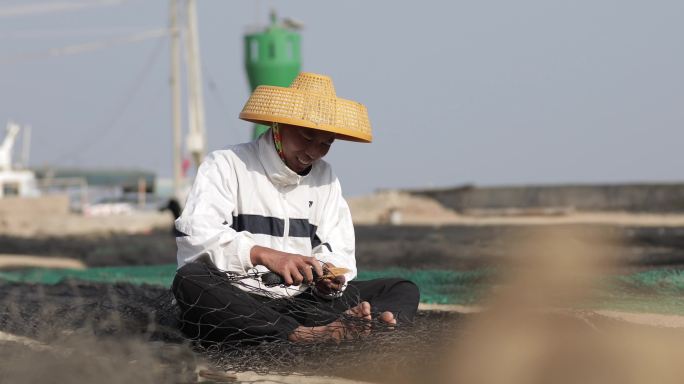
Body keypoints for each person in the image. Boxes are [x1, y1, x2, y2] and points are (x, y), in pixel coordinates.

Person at [171, 72, 419, 344]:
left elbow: (340, 251)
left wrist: (329, 279)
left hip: (302, 302)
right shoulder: (227, 163)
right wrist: (265, 255)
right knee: (190, 280)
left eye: (325, 143)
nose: (313, 151)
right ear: (278, 125)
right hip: (239, 301)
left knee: (400, 288)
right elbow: (195, 235)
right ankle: (305, 336)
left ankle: (371, 327)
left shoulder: (326, 178)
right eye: (306, 136)